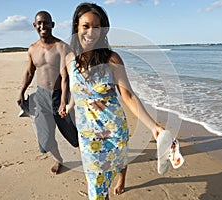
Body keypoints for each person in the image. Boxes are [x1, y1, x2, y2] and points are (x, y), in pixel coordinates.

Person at [61, 3, 178, 199]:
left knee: (117, 163)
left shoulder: (112, 60)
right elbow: (77, 91)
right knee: (97, 187)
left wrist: (153, 127)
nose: (91, 32)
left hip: (113, 130)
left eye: (96, 27)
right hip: (87, 136)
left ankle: (121, 178)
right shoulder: (69, 59)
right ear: (76, 27)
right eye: (86, 26)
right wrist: (69, 105)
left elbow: (129, 96)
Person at [17, 11, 78, 175]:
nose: (43, 26)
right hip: (41, 97)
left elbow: (65, 77)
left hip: (59, 95)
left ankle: (95, 148)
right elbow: (29, 73)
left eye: (46, 22)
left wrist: (64, 101)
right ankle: (59, 160)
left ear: (53, 24)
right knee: (45, 137)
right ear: (35, 26)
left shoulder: (62, 47)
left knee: (74, 136)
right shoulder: (32, 49)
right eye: (39, 23)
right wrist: (21, 92)